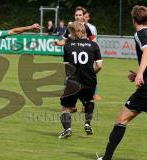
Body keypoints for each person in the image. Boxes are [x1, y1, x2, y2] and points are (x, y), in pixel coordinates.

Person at [96, 5, 147, 160]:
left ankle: (106, 158)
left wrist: (140, 73)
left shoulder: (140, 34)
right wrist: (141, 74)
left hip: (146, 90)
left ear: (133, 19)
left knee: (121, 119)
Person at [58, 21, 103, 139]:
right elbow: (99, 65)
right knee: (89, 101)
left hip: (73, 81)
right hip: (89, 81)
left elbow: (67, 68)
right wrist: (91, 73)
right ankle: (87, 124)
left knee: (65, 108)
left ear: (74, 32)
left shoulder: (68, 46)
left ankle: (67, 129)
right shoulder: (94, 45)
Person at [84, 10, 101, 101]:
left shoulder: (92, 28)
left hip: (89, 53)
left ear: (88, 18)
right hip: (81, 53)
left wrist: (95, 52)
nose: (85, 18)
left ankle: (94, 93)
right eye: (84, 16)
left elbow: (94, 40)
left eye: (87, 17)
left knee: (91, 74)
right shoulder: (77, 26)